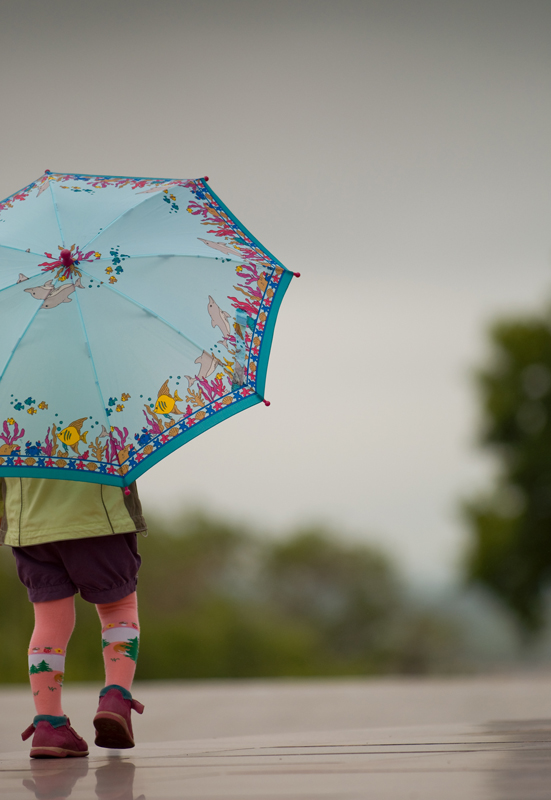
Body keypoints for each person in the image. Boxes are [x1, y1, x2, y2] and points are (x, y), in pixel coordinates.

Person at [0, 477, 147, 758]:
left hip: (30, 527)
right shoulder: (106, 428)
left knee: (48, 622)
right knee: (118, 608)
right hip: (98, 519)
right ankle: (115, 698)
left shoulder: (10, 433)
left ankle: (49, 725)